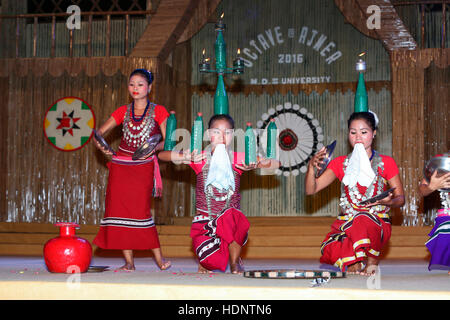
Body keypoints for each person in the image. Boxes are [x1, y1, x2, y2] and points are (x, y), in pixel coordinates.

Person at [158, 114, 279, 274]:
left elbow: (276, 163)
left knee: (235, 218)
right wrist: (184, 156)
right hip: (206, 220)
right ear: (208, 134)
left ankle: (235, 262)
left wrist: (255, 164)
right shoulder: (199, 157)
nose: (222, 137)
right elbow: (162, 155)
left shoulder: (238, 158)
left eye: (227, 133)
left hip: (230, 218)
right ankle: (206, 260)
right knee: (210, 262)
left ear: (233, 135)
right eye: (217, 132)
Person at [305, 111, 405, 275]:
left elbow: (401, 199)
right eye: (353, 132)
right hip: (348, 223)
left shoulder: (386, 162)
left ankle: (372, 261)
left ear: (374, 134)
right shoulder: (340, 163)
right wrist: (310, 168)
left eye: (363, 132)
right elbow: (311, 189)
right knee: (332, 248)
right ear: (348, 135)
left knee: (362, 218)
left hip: (377, 223)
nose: (358, 137)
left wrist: (387, 202)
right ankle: (355, 261)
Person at [92, 68, 171, 271]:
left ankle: (160, 259)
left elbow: (169, 141)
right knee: (119, 212)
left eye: (140, 84)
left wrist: (152, 148)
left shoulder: (159, 111)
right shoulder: (123, 111)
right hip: (121, 166)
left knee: (141, 212)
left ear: (149, 88)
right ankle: (129, 262)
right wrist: (105, 149)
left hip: (143, 166)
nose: (135, 88)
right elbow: (99, 133)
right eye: (132, 84)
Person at [419, 153, 450, 274]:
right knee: (446, 228)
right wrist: (432, 186)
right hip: (448, 212)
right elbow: (422, 190)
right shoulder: (441, 162)